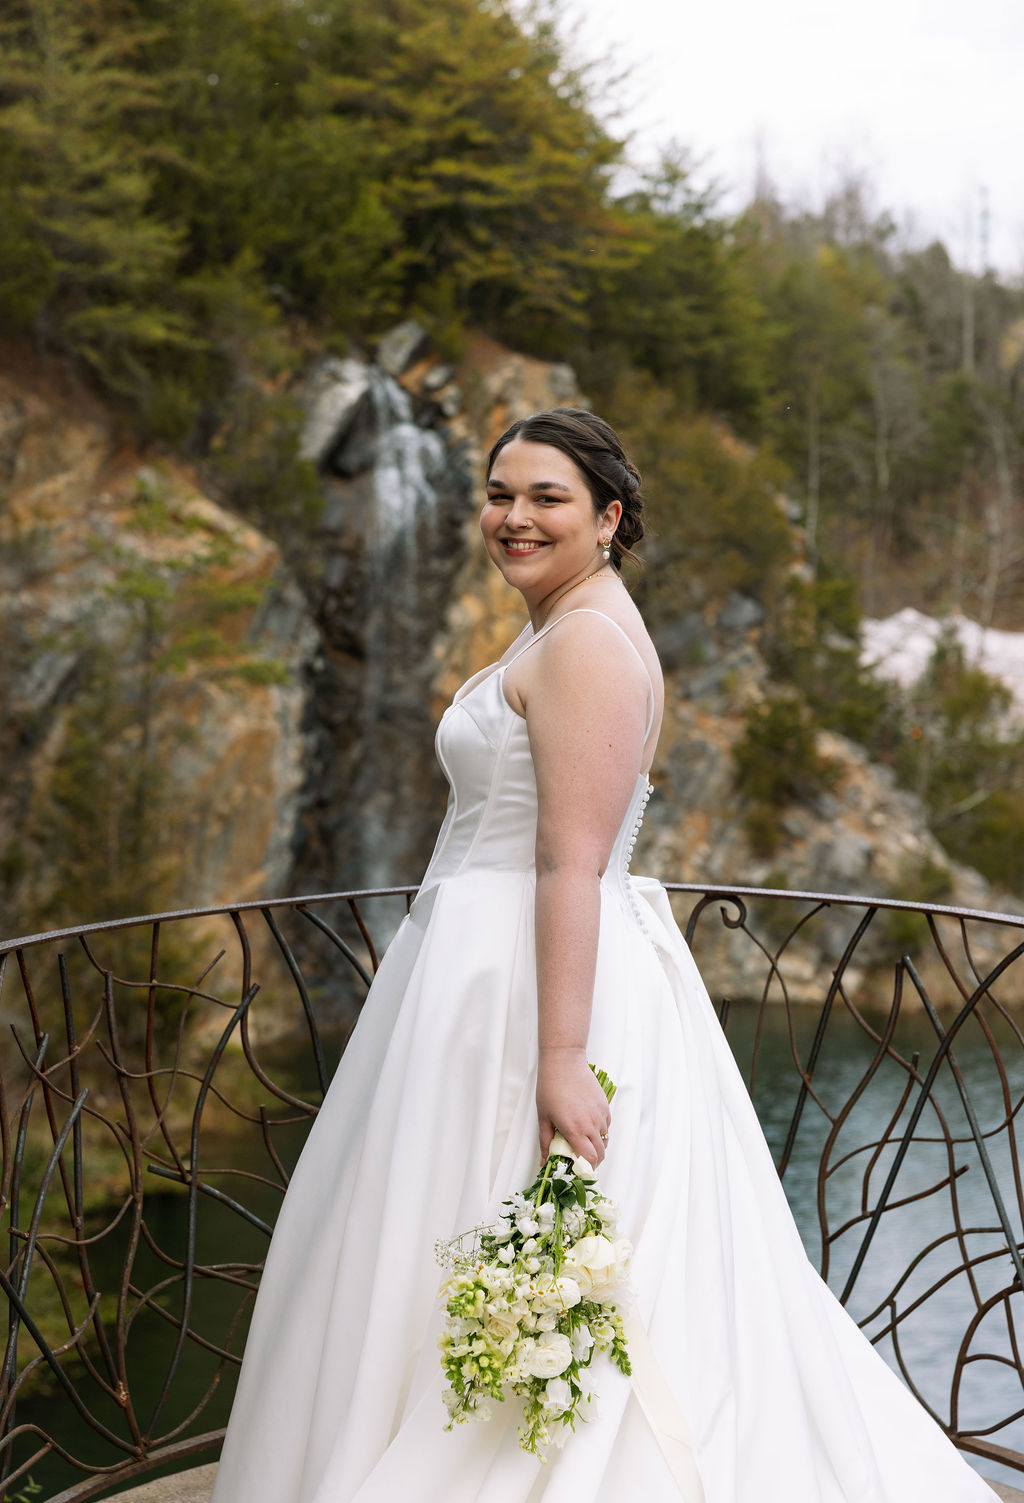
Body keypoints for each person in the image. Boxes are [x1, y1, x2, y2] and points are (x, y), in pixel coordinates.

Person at [210, 408, 999, 1502]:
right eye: (500, 495)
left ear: (608, 516)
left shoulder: (584, 641)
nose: (513, 517)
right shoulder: (562, 622)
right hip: (485, 968)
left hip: (536, 982)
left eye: (546, 498)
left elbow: (570, 864)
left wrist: (561, 1053)